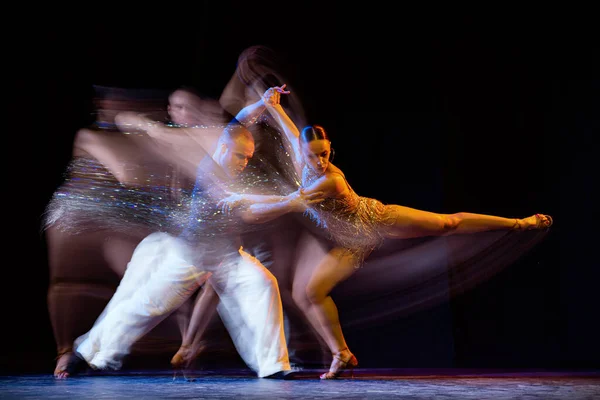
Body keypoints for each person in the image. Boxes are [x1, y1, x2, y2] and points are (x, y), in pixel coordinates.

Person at [218, 85, 554, 379]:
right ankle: (342, 354)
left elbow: (290, 201)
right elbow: (291, 131)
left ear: (330, 149)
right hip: (350, 241)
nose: (319, 161)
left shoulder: (329, 181)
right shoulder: (302, 156)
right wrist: (272, 104)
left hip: (375, 219)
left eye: (324, 154)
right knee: (311, 293)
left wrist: (240, 197)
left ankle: (518, 223)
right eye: (312, 156)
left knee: (447, 223)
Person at [71, 96, 300, 379]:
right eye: (241, 156)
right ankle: (86, 352)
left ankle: (274, 366)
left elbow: (240, 122)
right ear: (225, 148)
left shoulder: (227, 146)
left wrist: (263, 103)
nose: (244, 163)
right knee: (146, 306)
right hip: (191, 254)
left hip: (226, 256)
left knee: (263, 284)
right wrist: (290, 200)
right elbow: (245, 206)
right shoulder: (211, 171)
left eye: (248, 158)